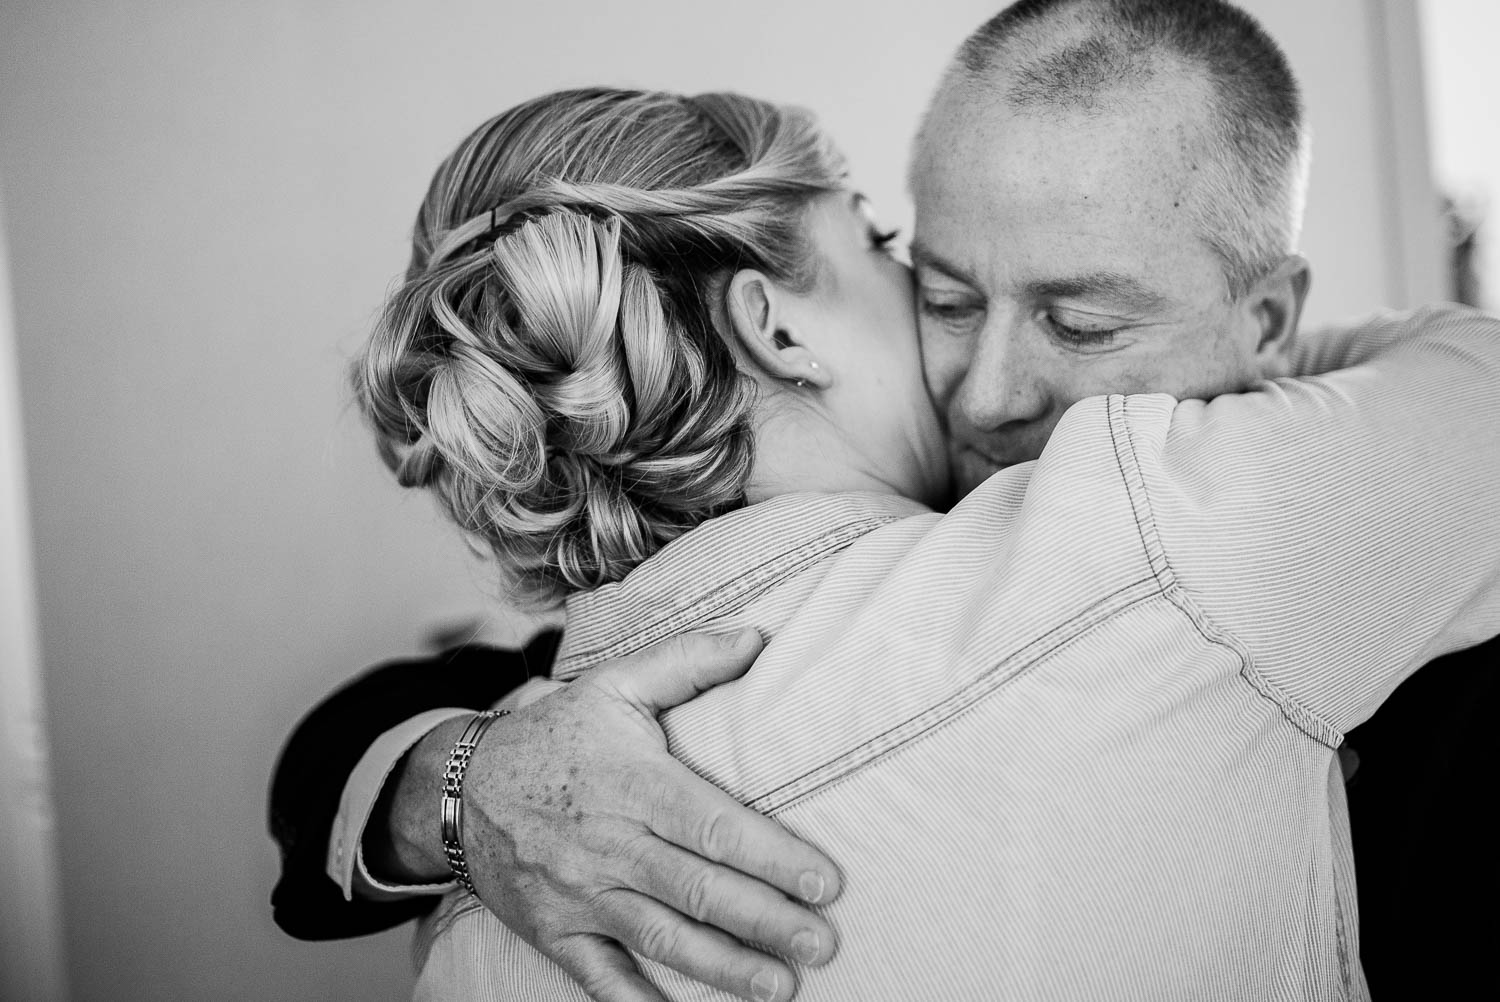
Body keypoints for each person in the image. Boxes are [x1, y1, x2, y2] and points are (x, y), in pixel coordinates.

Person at [269, 1, 1500, 999]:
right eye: (942, 291)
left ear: (1271, 320)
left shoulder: (469, 946)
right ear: (775, 327)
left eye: (1085, 321)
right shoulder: (551, 757)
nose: (989, 391)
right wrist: (459, 782)